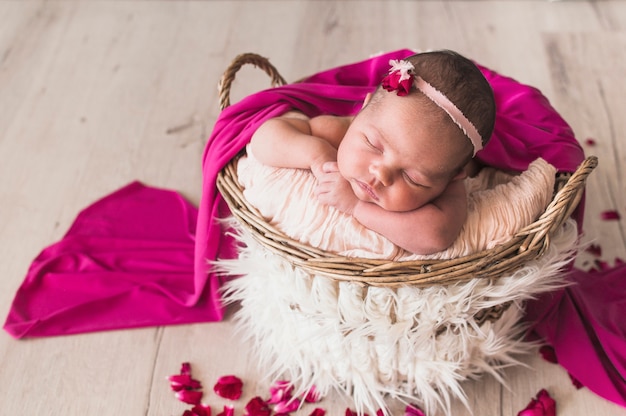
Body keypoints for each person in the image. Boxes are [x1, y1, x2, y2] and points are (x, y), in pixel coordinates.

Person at [250, 50, 496, 254]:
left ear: (455, 175)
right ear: (363, 109)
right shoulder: (336, 131)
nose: (381, 175)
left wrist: (356, 206)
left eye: (413, 178)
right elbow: (264, 138)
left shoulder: (446, 180)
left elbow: (436, 236)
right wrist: (317, 157)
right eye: (374, 145)